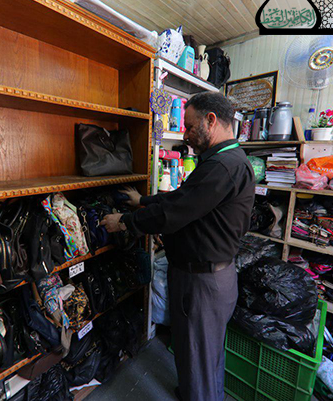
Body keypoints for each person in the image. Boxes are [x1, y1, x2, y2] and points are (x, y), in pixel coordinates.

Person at [100, 92, 255, 401]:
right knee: (204, 355)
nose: (185, 134)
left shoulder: (222, 167)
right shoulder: (228, 160)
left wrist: (126, 221)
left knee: (198, 358)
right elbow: (185, 198)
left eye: (189, 126)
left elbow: (174, 213)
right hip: (210, 277)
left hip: (203, 283)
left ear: (211, 121)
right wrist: (144, 200)